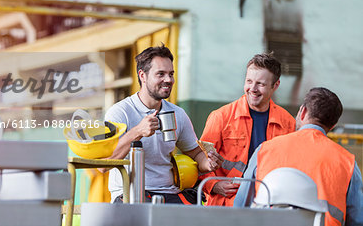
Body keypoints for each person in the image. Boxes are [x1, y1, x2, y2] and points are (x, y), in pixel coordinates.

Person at [105, 45, 223, 204]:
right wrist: (138, 131)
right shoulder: (120, 112)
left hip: (170, 193)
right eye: (161, 74)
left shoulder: (178, 114)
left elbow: (195, 154)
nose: (168, 80)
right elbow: (103, 164)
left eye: (171, 74)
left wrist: (208, 163)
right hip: (131, 195)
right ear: (143, 76)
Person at [234, 87, 363, 226]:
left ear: (303, 111)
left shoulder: (265, 150)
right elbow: (357, 220)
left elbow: (240, 207)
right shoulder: (348, 163)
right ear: (332, 125)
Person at [199, 53, 296, 206]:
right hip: (225, 207)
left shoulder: (288, 123)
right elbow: (199, 161)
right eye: (249, 81)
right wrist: (214, 185)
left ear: (275, 85)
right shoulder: (221, 117)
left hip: (269, 204)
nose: (253, 88)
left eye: (261, 84)